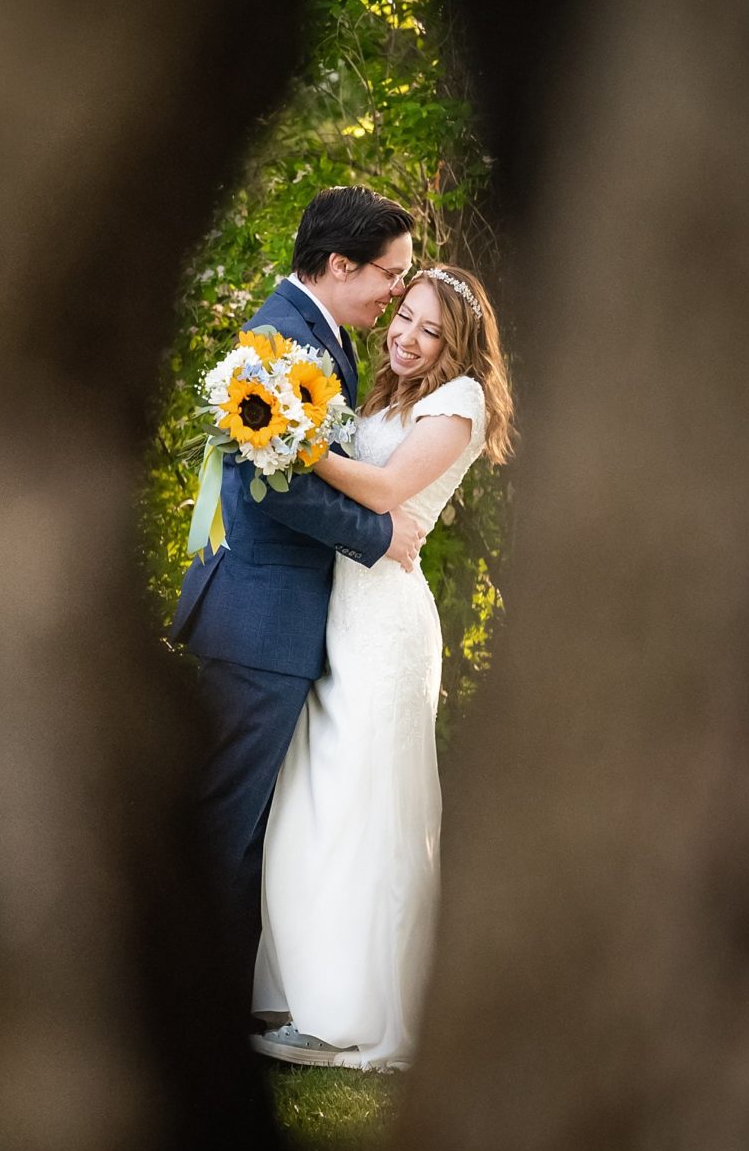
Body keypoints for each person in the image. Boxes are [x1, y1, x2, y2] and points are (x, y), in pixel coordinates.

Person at [250, 260, 515, 1068]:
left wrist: (288, 441)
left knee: (370, 806)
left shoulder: (459, 403)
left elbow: (387, 488)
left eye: (432, 331)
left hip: (388, 628)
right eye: (406, 318)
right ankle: (307, 990)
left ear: (459, 346)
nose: (408, 337)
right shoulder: (384, 392)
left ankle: (354, 1015)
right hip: (341, 612)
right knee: (317, 798)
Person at [169, 187, 427, 1003]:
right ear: (341, 264)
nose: (396, 293)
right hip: (259, 619)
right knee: (227, 820)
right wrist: (383, 537)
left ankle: (217, 1003)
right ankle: (183, 1004)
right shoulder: (282, 340)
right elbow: (278, 488)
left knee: (250, 827)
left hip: (270, 617)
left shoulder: (319, 337)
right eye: (391, 274)